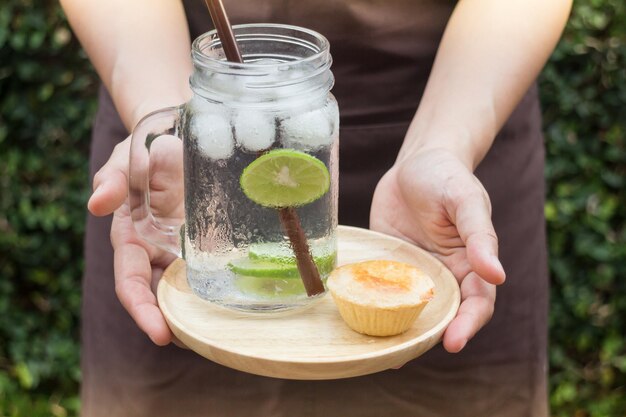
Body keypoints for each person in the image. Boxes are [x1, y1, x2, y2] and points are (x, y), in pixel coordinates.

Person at [60, 0, 572, 416]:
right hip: (176, 88)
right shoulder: (189, 128)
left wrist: (443, 144)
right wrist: (192, 130)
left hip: (461, 111)